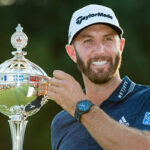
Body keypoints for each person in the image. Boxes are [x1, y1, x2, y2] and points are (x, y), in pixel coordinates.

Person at [39, 4, 150, 150]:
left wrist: (81, 107)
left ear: (121, 46)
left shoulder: (146, 99)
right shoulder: (61, 123)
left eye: (108, 39)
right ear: (72, 53)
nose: (100, 50)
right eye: (88, 41)